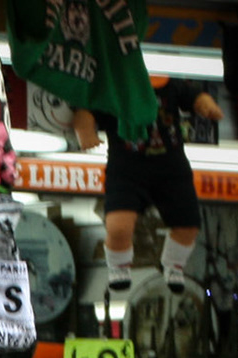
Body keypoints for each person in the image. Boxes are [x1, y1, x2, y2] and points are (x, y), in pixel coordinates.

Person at [75, 78, 223, 294]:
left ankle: (174, 263)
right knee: (118, 226)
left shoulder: (170, 84)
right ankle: (118, 265)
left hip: (172, 168)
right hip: (126, 168)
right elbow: (85, 108)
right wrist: (85, 131)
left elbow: (194, 95)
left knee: (188, 225)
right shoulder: (112, 85)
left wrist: (205, 104)